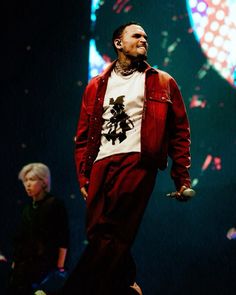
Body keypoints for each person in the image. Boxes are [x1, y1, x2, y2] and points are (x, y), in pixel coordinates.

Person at [61, 21, 192, 295]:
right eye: (136, 35)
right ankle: (126, 284)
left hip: (137, 160)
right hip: (100, 163)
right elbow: (82, 136)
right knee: (98, 232)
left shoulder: (162, 81)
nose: (144, 39)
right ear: (118, 43)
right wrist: (84, 174)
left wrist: (181, 177)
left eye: (146, 36)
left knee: (116, 228)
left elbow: (180, 133)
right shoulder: (95, 86)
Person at [7, 163, 69, 295]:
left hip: (45, 266)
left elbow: (63, 237)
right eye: (25, 180)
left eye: (32, 179)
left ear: (44, 181)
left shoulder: (54, 204)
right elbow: (21, 238)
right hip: (24, 267)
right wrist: (15, 263)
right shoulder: (27, 209)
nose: (27, 184)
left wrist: (60, 267)